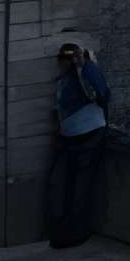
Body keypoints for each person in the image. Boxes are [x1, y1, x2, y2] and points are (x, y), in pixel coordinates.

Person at [45, 41, 110, 249]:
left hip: (87, 134)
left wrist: (85, 64)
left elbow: (102, 94)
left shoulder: (84, 72)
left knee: (78, 184)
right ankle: (69, 230)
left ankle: (75, 231)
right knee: (72, 184)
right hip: (77, 134)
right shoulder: (72, 76)